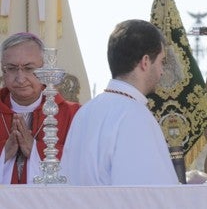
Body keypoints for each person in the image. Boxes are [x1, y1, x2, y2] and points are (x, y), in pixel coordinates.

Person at [61, 19, 178, 185]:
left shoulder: (85, 112)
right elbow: (149, 194)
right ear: (145, 62)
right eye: (161, 62)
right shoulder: (135, 116)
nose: (162, 71)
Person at [0, 32, 80, 184]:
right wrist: (4, 152)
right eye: (11, 68)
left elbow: (82, 164)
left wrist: (35, 149)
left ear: (45, 70)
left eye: (29, 68)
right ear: (2, 70)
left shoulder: (73, 114)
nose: (20, 78)